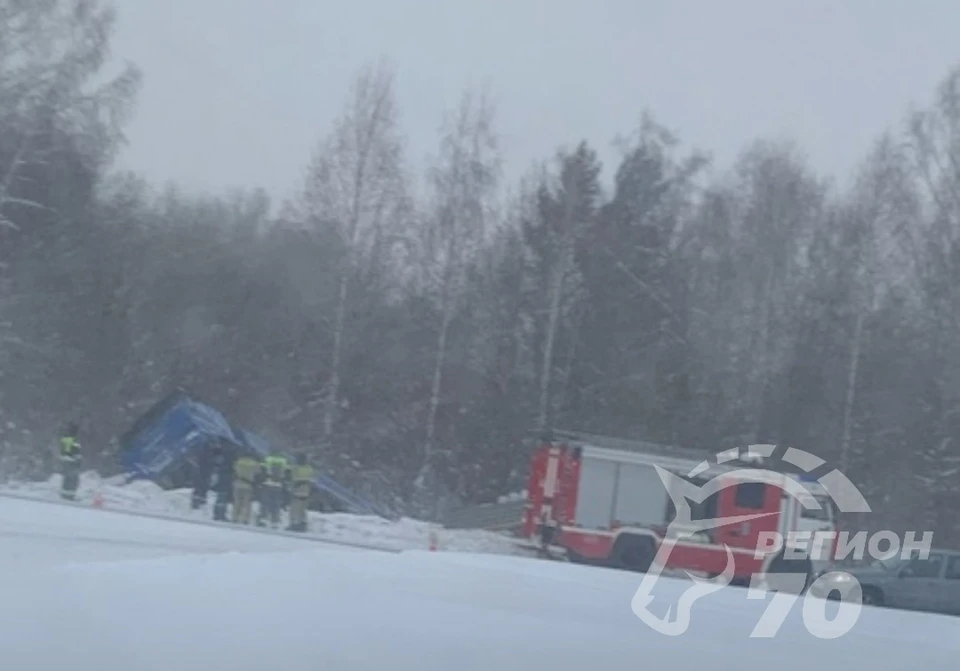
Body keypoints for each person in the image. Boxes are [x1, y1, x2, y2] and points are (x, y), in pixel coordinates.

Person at [258, 450, 289, 529]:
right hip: (278, 485)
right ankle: (274, 522)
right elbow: (288, 472)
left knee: (265, 503)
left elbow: (262, 470)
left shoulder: (268, 458)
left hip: (268, 483)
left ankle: (262, 520)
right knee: (276, 504)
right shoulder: (284, 460)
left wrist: (261, 482)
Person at [287, 452, 314, 532]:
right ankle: (303, 523)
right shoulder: (309, 468)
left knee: (294, 508)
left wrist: (290, 488)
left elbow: (293, 479)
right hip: (306, 491)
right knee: (303, 509)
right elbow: (311, 479)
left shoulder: (296, 468)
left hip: (297, 490)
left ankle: (294, 523)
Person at [231, 451, 261, 524]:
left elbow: (234, 469)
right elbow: (258, 472)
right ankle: (246, 519)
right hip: (248, 485)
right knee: (247, 503)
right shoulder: (254, 463)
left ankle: (235, 517)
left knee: (237, 502)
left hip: (238, 484)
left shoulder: (239, 461)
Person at [58, 423, 82, 501]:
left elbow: (63, 450)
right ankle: (69, 496)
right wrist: (77, 458)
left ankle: (65, 494)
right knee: (72, 479)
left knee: (68, 478)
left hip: (66, 460)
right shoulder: (72, 440)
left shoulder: (66, 438)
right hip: (71, 461)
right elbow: (74, 451)